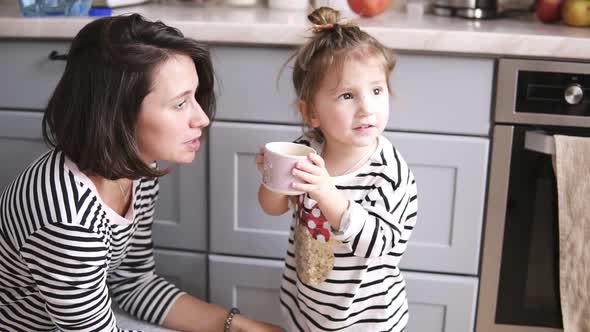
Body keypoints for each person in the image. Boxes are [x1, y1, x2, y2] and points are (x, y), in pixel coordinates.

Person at [0, 14, 282, 332]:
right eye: (179, 104)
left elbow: (134, 283)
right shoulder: (68, 219)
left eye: (195, 97)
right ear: (116, 111)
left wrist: (238, 325)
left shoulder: (136, 170)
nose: (201, 118)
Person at [256, 7, 419, 332]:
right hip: (306, 310)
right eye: (347, 95)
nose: (366, 108)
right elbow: (272, 208)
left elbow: (377, 247)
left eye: (376, 90)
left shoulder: (389, 172)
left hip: (368, 322)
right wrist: (272, 179)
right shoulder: (307, 148)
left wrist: (326, 192)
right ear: (311, 112)